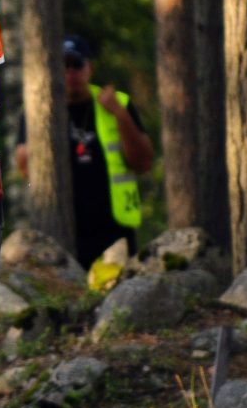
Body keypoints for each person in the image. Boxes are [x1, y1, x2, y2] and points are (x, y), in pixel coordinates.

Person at [14, 34, 155, 267]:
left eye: (77, 64)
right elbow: (25, 171)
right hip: (64, 234)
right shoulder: (36, 109)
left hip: (114, 233)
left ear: (90, 68)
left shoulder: (118, 103)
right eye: (64, 65)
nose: (70, 73)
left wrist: (120, 115)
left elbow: (143, 163)